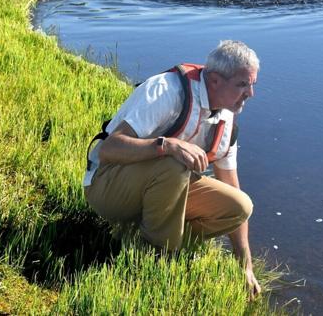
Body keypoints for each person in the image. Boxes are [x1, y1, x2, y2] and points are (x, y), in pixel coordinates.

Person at [83, 40, 261, 297]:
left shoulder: (227, 117)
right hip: (107, 187)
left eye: (252, 84)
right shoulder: (166, 91)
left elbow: (231, 185)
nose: (250, 93)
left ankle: (149, 237)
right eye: (242, 84)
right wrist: (166, 146)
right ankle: (159, 255)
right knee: (174, 162)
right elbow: (110, 149)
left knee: (240, 207)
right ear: (214, 80)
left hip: (160, 188)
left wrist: (245, 264)